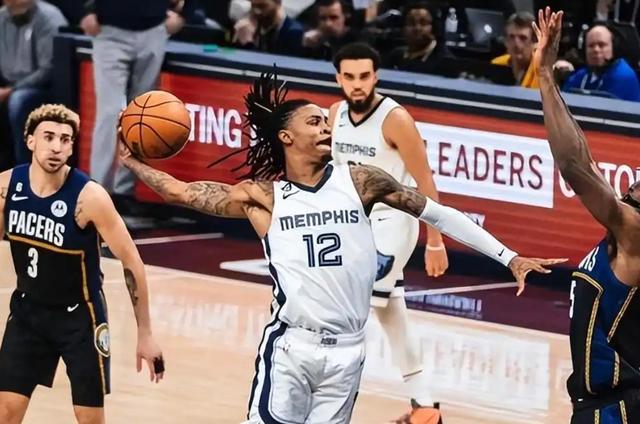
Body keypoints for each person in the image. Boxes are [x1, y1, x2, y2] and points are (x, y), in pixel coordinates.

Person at [120, 70, 563, 423]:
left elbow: (437, 213)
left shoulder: (361, 181)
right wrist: (130, 161)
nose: (326, 128)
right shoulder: (264, 197)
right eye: (314, 122)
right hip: (291, 347)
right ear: (286, 137)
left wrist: (509, 257)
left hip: (349, 351)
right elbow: (180, 192)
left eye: (326, 122)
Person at [0, 104, 164, 424]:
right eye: (48, 137)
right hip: (27, 313)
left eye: (65, 140)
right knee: (6, 411)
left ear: (73, 147)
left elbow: (132, 261)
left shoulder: (89, 198)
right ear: (30, 140)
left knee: (88, 418)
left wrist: (145, 334)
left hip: (80, 318)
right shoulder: (7, 188)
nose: (56, 147)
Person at [329, 41, 446, 419]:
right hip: (355, 224)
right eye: (350, 77)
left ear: (376, 77)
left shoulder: (395, 119)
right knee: (391, 313)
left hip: (393, 223)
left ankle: (329, 399)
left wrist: (435, 240)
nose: (357, 84)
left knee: (351, 308)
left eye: (364, 76)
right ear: (338, 79)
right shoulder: (335, 115)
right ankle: (425, 406)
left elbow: (425, 179)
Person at [534, 8, 640, 424]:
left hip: (616, 410)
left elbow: (574, 166)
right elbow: (586, 161)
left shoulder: (632, 230)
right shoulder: (623, 225)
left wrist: (545, 77)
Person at [80, 0, 194, 207]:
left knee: (142, 114)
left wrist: (186, 13)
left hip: (153, 29)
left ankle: (125, 192)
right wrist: (81, 12)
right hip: (109, 29)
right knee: (110, 112)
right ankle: (97, 191)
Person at [0, 0, 68, 167]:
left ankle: (24, 169)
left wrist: (11, 90)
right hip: (9, 84)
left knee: (18, 100)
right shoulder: (1, 18)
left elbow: (48, 69)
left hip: (43, 88)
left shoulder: (48, 18)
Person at [562, 25, 640, 101]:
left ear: (613, 48)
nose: (596, 50)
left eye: (601, 45)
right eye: (591, 46)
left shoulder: (624, 76)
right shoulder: (582, 75)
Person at [384, 2, 452, 75]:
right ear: (403, 29)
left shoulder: (445, 62)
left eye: (423, 23)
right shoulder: (395, 56)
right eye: (411, 23)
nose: (417, 28)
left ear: (434, 28)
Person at [232, 0, 304, 56]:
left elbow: (276, 66)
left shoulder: (294, 32)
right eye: (253, 6)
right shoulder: (253, 26)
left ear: (278, 3)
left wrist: (248, 44)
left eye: (262, 6)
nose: (256, 11)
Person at [491, 12, 539, 88]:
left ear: (534, 42)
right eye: (511, 37)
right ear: (505, 41)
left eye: (523, 38)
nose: (516, 44)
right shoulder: (496, 64)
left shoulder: (542, 72)